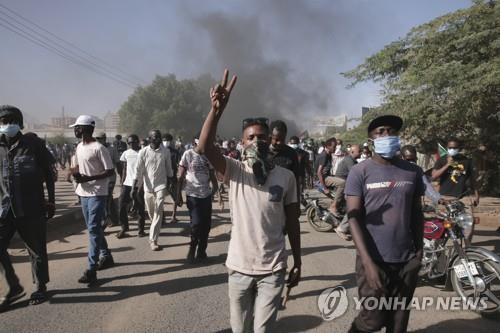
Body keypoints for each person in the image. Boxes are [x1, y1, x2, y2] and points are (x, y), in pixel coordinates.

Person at [196, 69, 301, 332]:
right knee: (240, 328)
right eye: (250, 137)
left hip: (273, 268)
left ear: (271, 141)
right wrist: (217, 111)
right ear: (242, 143)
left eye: (262, 137)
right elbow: (204, 147)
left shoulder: (286, 177)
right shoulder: (234, 170)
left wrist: (298, 260)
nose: (257, 141)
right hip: (239, 267)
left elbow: (293, 222)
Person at [346, 115, 424, 333]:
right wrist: (368, 263)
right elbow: (354, 218)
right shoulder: (359, 172)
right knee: (372, 320)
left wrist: (419, 252)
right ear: (371, 140)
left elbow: (417, 213)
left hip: (406, 260)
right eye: (380, 132)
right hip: (374, 261)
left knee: (398, 323)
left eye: (391, 131)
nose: (387, 135)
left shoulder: (412, 171)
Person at [0, 105, 55, 310]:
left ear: (20, 123)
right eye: (3, 121)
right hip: (4, 208)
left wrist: (51, 200)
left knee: (36, 249)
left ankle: (40, 286)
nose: (7, 124)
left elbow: (49, 174)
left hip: (31, 206)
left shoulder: (33, 144)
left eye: (11, 120)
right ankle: (14, 286)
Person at [70, 115, 115, 285]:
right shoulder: (79, 147)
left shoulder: (99, 148)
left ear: (87, 128)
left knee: (94, 229)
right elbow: (78, 166)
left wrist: (87, 179)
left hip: (97, 193)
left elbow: (109, 171)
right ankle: (106, 255)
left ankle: (91, 269)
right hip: (83, 193)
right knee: (92, 228)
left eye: (77, 127)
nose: (75, 130)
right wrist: (73, 172)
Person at [177, 140, 218, 263]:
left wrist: (215, 191)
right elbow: (180, 174)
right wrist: (178, 193)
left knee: (206, 225)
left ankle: (202, 250)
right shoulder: (188, 154)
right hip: (192, 194)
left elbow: (212, 177)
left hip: (206, 194)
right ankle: (192, 248)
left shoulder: (208, 156)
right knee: (196, 223)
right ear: (196, 142)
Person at [135, 129, 173, 251]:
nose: (158, 139)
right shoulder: (143, 152)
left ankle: (153, 240)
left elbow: (169, 169)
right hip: (148, 188)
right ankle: (155, 226)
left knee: (158, 212)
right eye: (155, 137)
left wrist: (172, 182)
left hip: (161, 186)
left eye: (159, 137)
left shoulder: (166, 152)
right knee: (152, 214)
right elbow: (139, 172)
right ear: (149, 138)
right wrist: (135, 187)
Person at [432, 138, 479, 205]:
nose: (452, 150)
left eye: (455, 148)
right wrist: (447, 165)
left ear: (459, 148)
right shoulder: (441, 160)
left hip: (462, 197)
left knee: (466, 215)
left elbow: (473, 179)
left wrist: (477, 195)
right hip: (444, 197)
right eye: (450, 148)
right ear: (447, 148)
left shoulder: (466, 161)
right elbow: (434, 176)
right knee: (445, 215)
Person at [117, 135, 146, 238]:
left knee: (140, 208)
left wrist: (143, 183)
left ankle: (141, 230)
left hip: (139, 184)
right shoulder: (126, 153)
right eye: (129, 143)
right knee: (121, 205)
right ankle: (124, 227)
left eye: (133, 142)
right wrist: (122, 180)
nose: (131, 144)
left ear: (138, 142)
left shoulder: (143, 152)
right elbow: (125, 167)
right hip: (127, 183)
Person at [269, 120, 300, 201]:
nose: (279, 142)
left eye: (282, 139)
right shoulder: (262, 152)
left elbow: (295, 180)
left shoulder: (291, 153)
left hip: (285, 197)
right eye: (276, 139)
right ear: (270, 136)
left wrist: (296, 202)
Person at [96, 133, 119, 227]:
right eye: (97, 138)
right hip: (100, 178)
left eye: (100, 139)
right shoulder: (96, 149)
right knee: (109, 199)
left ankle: (104, 221)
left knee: (106, 198)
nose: (98, 140)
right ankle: (115, 219)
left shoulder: (112, 149)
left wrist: (122, 177)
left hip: (110, 178)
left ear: (104, 139)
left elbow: (118, 163)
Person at [315, 137, 338, 215]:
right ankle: (333, 207)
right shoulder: (324, 155)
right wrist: (324, 188)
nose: (335, 148)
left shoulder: (329, 154)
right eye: (334, 146)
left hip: (326, 178)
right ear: (328, 146)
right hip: (322, 180)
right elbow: (319, 172)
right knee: (343, 183)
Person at [163, 133, 181, 224]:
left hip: (173, 178)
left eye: (168, 141)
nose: (166, 142)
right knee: (160, 198)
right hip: (162, 178)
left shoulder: (175, 152)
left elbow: (178, 164)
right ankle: (162, 217)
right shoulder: (160, 151)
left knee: (175, 198)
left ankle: (173, 216)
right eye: (165, 140)